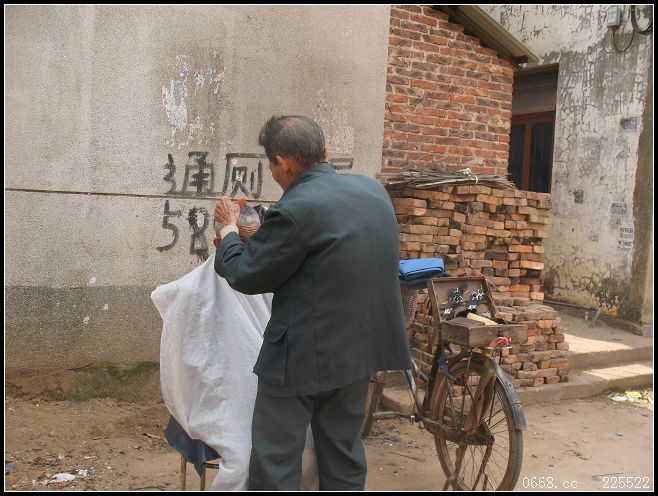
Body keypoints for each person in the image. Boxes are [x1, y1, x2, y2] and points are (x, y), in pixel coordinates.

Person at [213, 115, 413, 490]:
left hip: (300, 358)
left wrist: (228, 231)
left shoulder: (295, 208)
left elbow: (247, 275)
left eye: (272, 165)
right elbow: (324, 257)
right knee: (343, 456)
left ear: (282, 162)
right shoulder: (373, 192)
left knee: (276, 462)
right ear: (325, 152)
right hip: (358, 352)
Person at [152, 204, 318, 491]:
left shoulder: (273, 279)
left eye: (257, 243)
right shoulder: (191, 291)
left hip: (275, 389)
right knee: (243, 462)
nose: (250, 254)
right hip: (219, 396)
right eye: (241, 244)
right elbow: (185, 365)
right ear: (220, 243)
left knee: (309, 450)